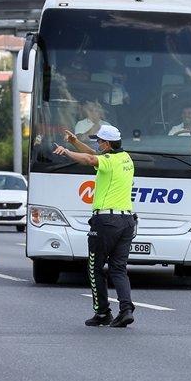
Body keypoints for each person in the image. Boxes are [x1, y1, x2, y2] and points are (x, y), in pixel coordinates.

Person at [54, 124, 138, 328]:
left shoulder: (107, 161)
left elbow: (91, 158)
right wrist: (75, 142)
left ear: (107, 144)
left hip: (106, 221)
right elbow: (94, 155)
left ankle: (102, 312)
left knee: (95, 266)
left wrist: (67, 151)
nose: (97, 144)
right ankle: (126, 309)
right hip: (127, 221)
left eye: (99, 141)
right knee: (119, 268)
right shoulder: (125, 159)